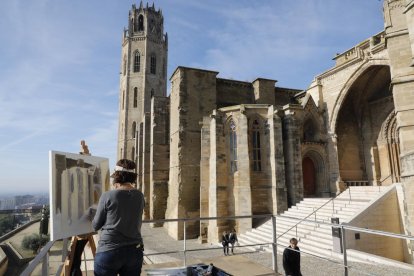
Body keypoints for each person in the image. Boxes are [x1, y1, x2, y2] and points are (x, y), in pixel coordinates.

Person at [91, 159, 145, 276]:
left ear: (117, 176)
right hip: (134, 250)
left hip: (109, 250)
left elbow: (96, 225)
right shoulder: (140, 196)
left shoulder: (108, 195)